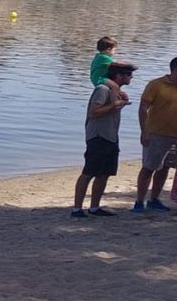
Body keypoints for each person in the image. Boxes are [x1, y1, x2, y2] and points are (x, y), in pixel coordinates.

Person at [73, 62, 136, 217]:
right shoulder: (103, 89)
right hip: (98, 136)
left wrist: (119, 102)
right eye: (128, 75)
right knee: (88, 172)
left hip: (111, 136)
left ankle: (94, 207)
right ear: (118, 76)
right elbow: (94, 112)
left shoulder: (116, 91)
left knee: (105, 173)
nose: (131, 78)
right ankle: (76, 209)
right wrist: (115, 104)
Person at [134, 56, 177, 213]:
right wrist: (144, 131)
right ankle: (139, 202)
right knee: (148, 168)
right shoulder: (156, 85)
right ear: (174, 70)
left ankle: (154, 200)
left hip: (175, 135)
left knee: (164, 168)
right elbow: (143, 108)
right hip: (156, 134)